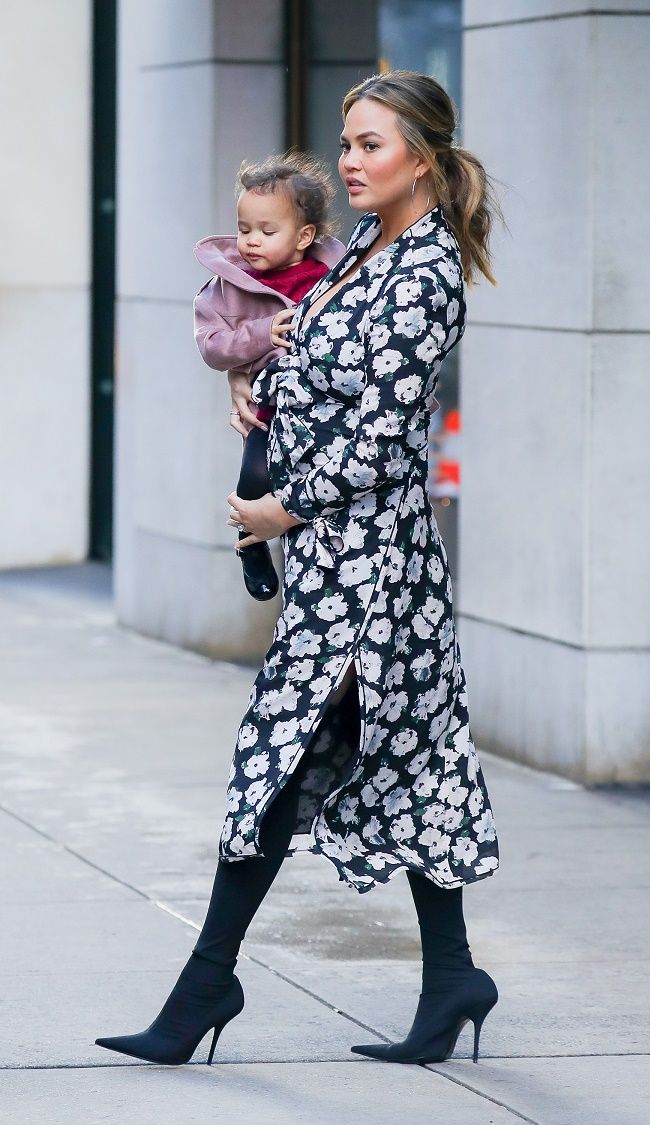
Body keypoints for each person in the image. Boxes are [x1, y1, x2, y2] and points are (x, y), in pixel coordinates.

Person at [96, 69, 503, 1069]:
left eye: (369, 144)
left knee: (285, 759)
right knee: (402, 760)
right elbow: (313, 352)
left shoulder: (424, 270)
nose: (349, 162)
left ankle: (205, 987)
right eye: (347, 142)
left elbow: (388, 432)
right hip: (336, 564)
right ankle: (450, 975)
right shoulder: (365, 250)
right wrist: (254, 384)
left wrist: (286, 502)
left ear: (421, 154)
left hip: (375, 573)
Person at [194, 153, 345, 599]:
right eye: (244, 230)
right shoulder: (227, 284)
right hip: (268, 410)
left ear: (304, 236)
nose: (251, 242)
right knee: (255, 476)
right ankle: (250, 543)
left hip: (326, 408)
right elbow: (212, 345)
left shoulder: (335, 274)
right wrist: (262, 334)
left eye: (266, 231)